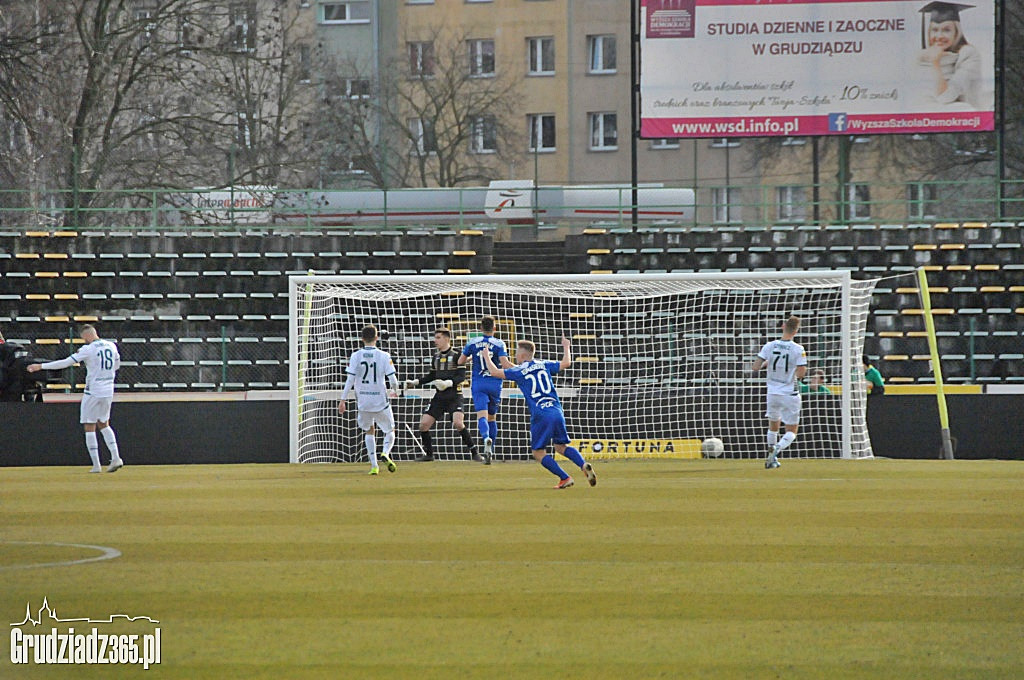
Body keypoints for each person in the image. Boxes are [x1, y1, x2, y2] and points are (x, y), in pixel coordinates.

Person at [480, 337, 596, 489]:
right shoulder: (543, 364)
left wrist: (486, 356)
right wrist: (566, 347)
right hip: (556, 410)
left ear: (521, 356)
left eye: (516, 353)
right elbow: (566, 363)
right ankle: (582, 465)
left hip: (541, 413)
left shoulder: (519, 371)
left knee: (538, 452)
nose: (515, 356)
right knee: (561, 446)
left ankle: (565, 477)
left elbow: (494, 372)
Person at [27, 325, 124, 473]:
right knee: (104, 423)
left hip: (93, 390)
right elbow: (116, 365)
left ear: (85, 336)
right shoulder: (111, 345)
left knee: (89, 425)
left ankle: (96, 465)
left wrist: (40, 366)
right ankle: (116, 457)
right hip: (108, 389)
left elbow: (66, 363)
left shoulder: (88, 349)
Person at [404, 327, 482, 463]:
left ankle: (475, 453)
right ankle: (429, 455)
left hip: (454, 396)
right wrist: (416, 382)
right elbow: (431, 376)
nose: (435, 341)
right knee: (423, 425)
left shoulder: (458, 355)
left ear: (447, 338)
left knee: (458, 423)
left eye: (438, 337)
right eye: (435, 338)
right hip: (439, 397)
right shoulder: (436, 357)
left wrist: (448, 383)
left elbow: (461, 377)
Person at [338, 325, 399, 475]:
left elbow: (350, 380)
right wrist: (394, 391)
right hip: (379, 401)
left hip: (363, 401)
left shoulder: (355, 356)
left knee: (369, 430)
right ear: (376, 338)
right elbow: (393, 380)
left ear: (362, 339)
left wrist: (342, 400)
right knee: (390, 430)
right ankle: (385, 452)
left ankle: (374, 466)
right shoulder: (384, 356)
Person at [752, 315, 807, 470]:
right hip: (789, 393)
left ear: (783, 326)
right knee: (791, 430)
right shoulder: (798, 349)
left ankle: (770, 458)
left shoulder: (769, 346)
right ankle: (776, 450)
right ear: (796, 331)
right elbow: (801, 372)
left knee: (773, 427)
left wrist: (768, 364)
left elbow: (755, 367)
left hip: (772, 393)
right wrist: (791, 372)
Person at [457, 316, 513, 461]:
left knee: (482, 415)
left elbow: (460, 361)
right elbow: (505, 365)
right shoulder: (499, 343)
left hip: (478, 383)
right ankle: (491, 449)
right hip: (495, 383)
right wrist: (522, 370)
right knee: (492, 417)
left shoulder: (472, 342)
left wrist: (471, 358)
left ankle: (486, 437)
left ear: (480, 328)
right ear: (494, 328)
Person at [917, 2, 982, 109]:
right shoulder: (925, 56)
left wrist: (935, 63)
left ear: (956, 32)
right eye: (934, 30)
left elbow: (945, 96)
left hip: (967, 120)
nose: (939, 36)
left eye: (946, 30)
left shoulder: (969, 54)